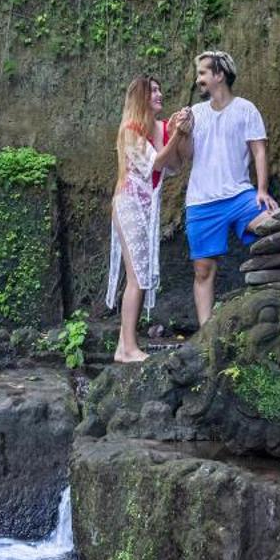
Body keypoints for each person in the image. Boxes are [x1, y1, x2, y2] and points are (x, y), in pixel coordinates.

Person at [161, 49, 278, 325]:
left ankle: (271, 307)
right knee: (203, 270)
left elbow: (259, 151)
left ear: (219, 75)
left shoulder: (246, 109)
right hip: (201, 201)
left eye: (202, 73)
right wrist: (184, 132)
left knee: (272, 225)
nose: (198, 79)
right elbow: (188, 154)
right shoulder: (196, 113)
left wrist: (262, 190)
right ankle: (206, 334)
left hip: (240, 195)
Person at [105, 75, 171, 362]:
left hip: (142, 209)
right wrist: (177, 136)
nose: (159, 93)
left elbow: (173, 165)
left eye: (159, 88)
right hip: (129, 206)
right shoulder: (130, 129)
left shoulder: (148, 130)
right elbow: (155, 162)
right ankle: (129, 348)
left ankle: (124, 345)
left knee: (140, 277)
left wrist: (177, 133)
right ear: (141, 97)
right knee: (137, 278)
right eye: (153, 90)